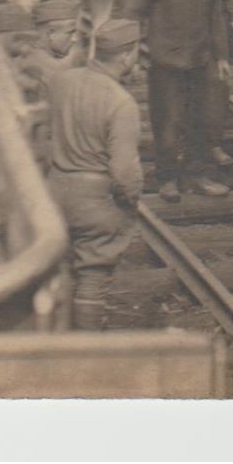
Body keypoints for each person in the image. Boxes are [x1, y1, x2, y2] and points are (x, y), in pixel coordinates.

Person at [44, 17, 144, 330]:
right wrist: (129, 201)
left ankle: (55, 339)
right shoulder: (121, 102)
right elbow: (123, 170)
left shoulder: (62, 80)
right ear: (127, 55)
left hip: (54, 191)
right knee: (93, 277)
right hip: (95, 200)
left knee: (59, 269)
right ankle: (85, 349)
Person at [125, 0, 232, 201]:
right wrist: (136, 50)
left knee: (201, 118)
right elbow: (133, 10)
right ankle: (168, 177)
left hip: (199, 57)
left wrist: (221, 55)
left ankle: (198, 174)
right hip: (165, 60)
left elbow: (215, 14)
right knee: (168, 121)